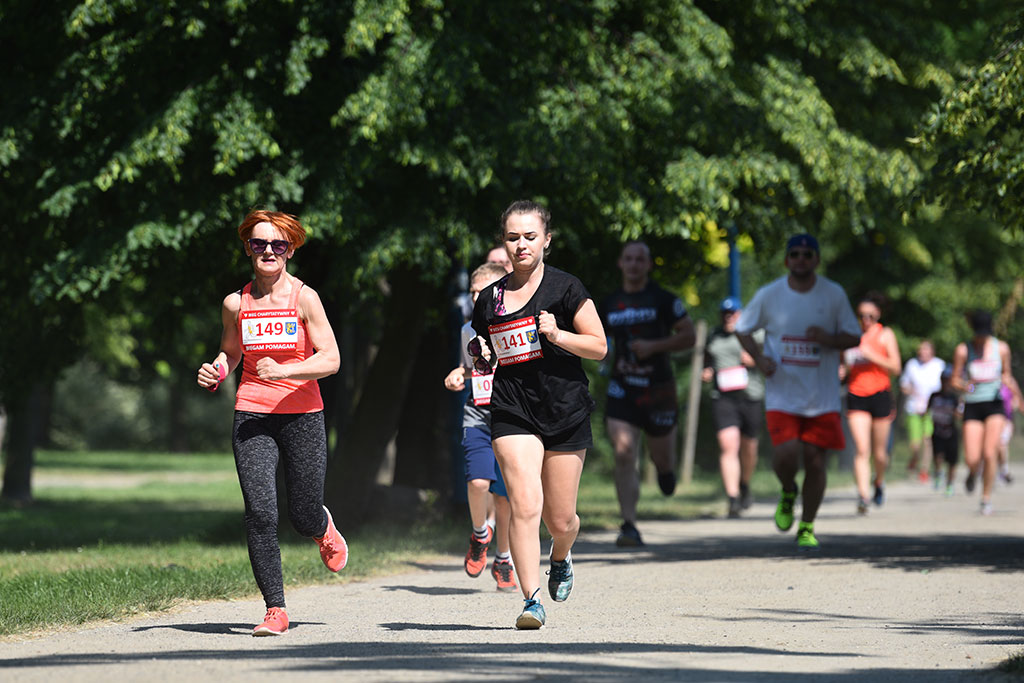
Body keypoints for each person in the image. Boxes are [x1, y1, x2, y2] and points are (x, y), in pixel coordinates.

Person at [196, 210, 346, 636]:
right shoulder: (235, 303)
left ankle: (321, 527)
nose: (268, 251)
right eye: (259, 244)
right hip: (252, 414)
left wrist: (288, 372)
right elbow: (231, 353)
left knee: (301, 513)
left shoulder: (304, 298)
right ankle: (275, 608)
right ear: (248, 248)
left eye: (277, 245)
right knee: (260, 513)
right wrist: (218, 370)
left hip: (302, 414)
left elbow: (331, 359)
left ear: (290, 250)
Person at [469, 200, 606, 629]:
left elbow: (599, 347)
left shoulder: (567, 288)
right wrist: (481, 354)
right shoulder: (490, 298)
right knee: (525, 504)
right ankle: (530, 601)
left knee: (560, 519)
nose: (521, 245)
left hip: (564, 409)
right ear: (504, 243)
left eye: (530, 236)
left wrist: (557, 333)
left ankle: (561, 556)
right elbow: (483, 349)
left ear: (546, 239)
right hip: (512, 410)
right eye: (513, 237)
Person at [735, 234, 860, 551]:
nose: (801, 259)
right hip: (783, 393)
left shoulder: (832, 294)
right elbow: (742, 327)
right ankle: (788, 490)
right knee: (786, 453)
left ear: (816, 259)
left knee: (816, 463)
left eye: (807, 254)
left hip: (822, 397)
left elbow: (853, 336)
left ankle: (806, 525)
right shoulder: (770, 294)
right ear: (787, 260)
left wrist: (827, 339)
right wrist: (760, 357)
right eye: (795, 254)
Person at [600, 241, 695, 546]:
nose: (634, 264)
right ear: (620, 263)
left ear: (649, 265)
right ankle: (628, 524)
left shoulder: (663, 299)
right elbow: (595, 339)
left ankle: (666, 471)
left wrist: (655, 347)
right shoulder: (609, 303)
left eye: (640, 259)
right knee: (624, 451)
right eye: (628, 258)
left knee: (662, 457)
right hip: (622, 388)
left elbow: (689, 336)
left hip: (658, 389)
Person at [443, 262, 517, 592]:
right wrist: (459, 374)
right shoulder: (466, 331)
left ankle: (503, 558)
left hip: (512, 417)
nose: (478, 298)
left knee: (504, 497)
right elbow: (469, 367)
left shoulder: (517, 326)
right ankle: (479, 533)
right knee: (477, 482)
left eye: (484, 292)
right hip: (477, 413)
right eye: (474, 293)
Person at [950, 310, 1022, 515]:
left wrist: (1018, 397)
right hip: (973, 405)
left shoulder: (1002, 348)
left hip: (995, 404)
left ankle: (986, 497)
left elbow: (1007, 375)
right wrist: (967, 387)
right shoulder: (963, 350)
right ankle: (972, 473)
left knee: (990, 452)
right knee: (972, 457)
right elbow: (955, 379)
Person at [702, 296, 764, 518]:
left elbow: (771, 360)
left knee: (749, 448)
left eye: (734, 313)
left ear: (742, 314)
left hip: (750, 396)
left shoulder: (756, 335)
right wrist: (707, 371)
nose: (729, 317)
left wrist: (755, 359)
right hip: (724, 397)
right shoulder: (714, 336)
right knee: (728, 446)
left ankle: (745, 483)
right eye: (725, 314)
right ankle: (733, 498)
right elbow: (706, 361)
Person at [841, 293, 901, 514]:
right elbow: (845, 366)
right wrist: (842, 371)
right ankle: (863, 496)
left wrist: (871, 354)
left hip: (880, 395)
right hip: (856, 395)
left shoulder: (885, 335)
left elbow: (896, 368)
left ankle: (879, 482)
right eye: (860, 316)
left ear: (877, 315)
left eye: (870, 316)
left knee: (879, 453)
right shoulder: (850, 336)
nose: (865, 320)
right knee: (861, 449)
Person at [900, 340, 946, 484]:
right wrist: (912, 392)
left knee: (928, 441)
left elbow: (945, 386)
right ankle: (913, 459)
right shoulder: (912, 365)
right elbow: (904, 385)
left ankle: (924, 471)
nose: (923, 353)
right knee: (915, 445)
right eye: (921, 350)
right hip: (914, 409)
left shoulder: (939, 365)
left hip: (932, 410)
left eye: (926, 350)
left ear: (932, 351)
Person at [928, 367, 961, 496]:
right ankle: (938, 473)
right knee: (938, 455)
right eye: (944, 380)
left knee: (952, 461)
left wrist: (956, 413)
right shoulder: (934, 395)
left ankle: (950, 484)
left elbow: (960, 414)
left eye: (948, 380)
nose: (946, 383)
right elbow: (927, 410)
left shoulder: (955, 397)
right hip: (937, 430)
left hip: (951, 431)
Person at [997, 383, 1016, 484]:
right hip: (993, 420)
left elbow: (1016, 401)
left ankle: (1004, 470)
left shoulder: (1009, 384)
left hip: (1006, 420)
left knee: (1002, 445)